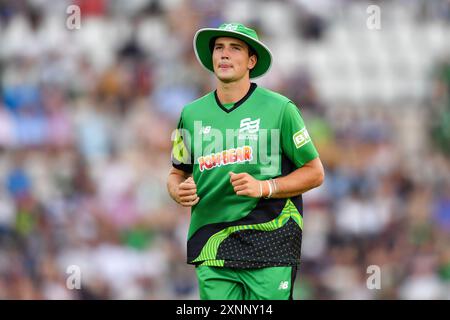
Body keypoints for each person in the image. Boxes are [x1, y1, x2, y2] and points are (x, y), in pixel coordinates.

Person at [167, 22, 324, 300]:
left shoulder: (281, 109)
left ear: (252, 60)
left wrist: (265, 188)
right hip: (211, 245)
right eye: (219, 48)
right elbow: (176, 173)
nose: (224, 55)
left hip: (271, 241)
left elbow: (314, 172)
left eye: (235, 48)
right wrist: (177, 191)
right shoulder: (190, 114)